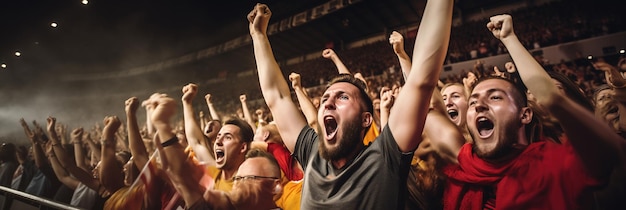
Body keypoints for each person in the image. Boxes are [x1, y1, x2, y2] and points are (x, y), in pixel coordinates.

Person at [249, 0, 453, 208]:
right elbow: (278, 97)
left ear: (366, 119)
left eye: (343, 97)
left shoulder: (384, 158)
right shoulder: (312, 154)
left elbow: (421, 79)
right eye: (326, 98)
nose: (328, 103)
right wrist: (259, 36)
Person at [439, 14, 624, 209]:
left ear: (525, 115)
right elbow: (423, 90)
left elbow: (552, 99)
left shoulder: (559, 165)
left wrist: (510, 39)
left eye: (495, 97)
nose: (479, 105)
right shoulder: (464, 164)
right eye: (473, 101)